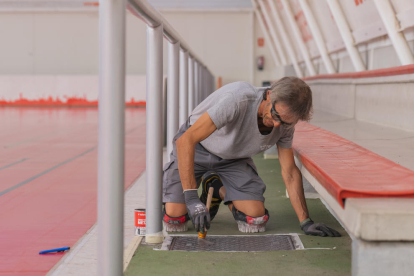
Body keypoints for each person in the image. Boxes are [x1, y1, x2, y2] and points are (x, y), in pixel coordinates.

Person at [162, 77, 341, 237]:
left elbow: (290, 171)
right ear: (269, 95)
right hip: (198, 149)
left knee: (255, 219)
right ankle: (188, 190)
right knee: (175, 219)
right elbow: (186, 141)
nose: (278, 124)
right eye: (276, 115)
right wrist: (192, 198)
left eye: (286, 122)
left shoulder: (285, 124)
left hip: (233, 158)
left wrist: (305, 221)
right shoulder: (238, 99)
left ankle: (217, 187)